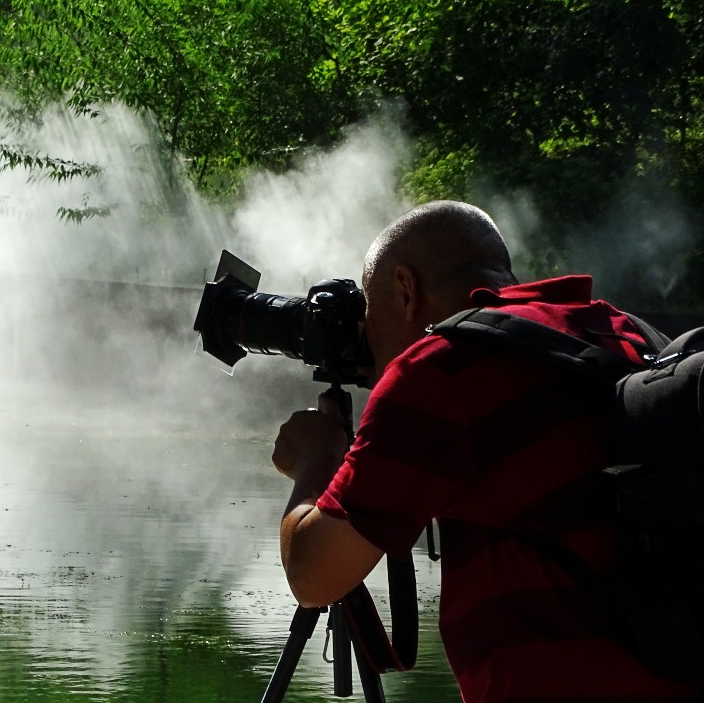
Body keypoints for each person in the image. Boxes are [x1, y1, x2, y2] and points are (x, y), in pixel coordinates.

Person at [271, 200, 697, 702]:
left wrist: (316, 457)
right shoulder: (629, 335)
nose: (369, 337)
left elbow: (314, 576)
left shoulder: (441, 371)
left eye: (371, 312)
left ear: (406, 289)